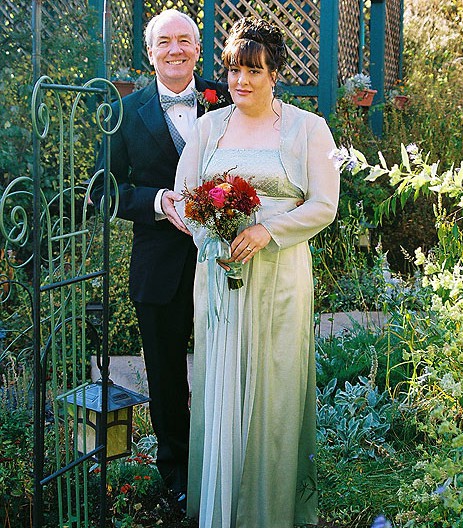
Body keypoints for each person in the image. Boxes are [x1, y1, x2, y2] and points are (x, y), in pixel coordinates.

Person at [170, 16, 340, 528]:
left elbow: (325, 204)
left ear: (275, 74)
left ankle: (267, 511)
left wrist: (269, 231)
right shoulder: (207, 128)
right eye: (233, 70)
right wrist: (211, 232)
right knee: (221, 383)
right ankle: (220, 507)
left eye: (253, 71)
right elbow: (183, 199)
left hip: (281, 277)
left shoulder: (310, 128)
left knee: (275, 386)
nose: (240, 82)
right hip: (221, 277)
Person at [92, 9, 231, 507]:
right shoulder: (126, 112)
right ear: (150, 53)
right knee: (168, 378)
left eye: (185, 41)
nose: (175, 50)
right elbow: (104, 190)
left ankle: (225, 462)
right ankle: (177, 474)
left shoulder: (227, 95)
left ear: (198, 49)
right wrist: (155, 202)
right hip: (159, 269)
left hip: (225, 261)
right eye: (164, 42)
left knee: (228, 366)